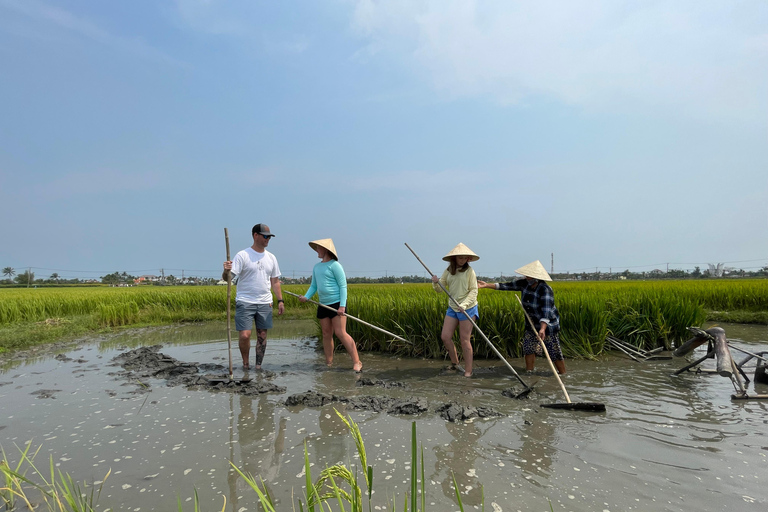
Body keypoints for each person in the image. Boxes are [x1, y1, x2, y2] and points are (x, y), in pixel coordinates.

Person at [477, 260, 566, 374]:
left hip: (548, 326)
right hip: (531, 323)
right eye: (526, 275)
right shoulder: (524, 283)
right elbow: (507, 285)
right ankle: (529, 372)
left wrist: (543, 328)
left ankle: (562, 374)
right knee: (529, 348)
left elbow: (546, 311)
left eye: (529, 276)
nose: (526, 277)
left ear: (536, 277)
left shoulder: (545, 289)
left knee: (553, 351)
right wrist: (487, 285)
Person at [222, 223, 284, 370]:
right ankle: (245, 363)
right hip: (245, 301)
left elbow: (275, 281)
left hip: (265, 302)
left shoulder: (271, 258)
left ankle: (258, 366)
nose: (267, 239)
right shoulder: (243, 255)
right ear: (255, 235)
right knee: (245, 335)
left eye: (269, 237)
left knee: (262, 335)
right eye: (265, 236)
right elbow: (228, 278)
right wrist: (225, 271)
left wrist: (280, 300)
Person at [298, 238, 363, 373]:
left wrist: (342, 306)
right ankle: (329, 362)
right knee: (326, 334)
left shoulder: (335, 266)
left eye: (318, 248)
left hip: (336, 304)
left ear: (326, 250)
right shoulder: (317, 267)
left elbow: (343, 286)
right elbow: (314, 286)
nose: (317, 250)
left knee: (340, 333)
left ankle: (357, 361)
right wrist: (306, 297)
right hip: (323, 304)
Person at [431, 243, 479, 377]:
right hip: (453, 307)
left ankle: (468, 371)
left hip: (467, 308)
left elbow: (474, 291)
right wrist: (436, 282)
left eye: (465, 258)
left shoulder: (470, 272)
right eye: (460, 258)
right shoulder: (448, 271)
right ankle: (455, 364)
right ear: (454, 258)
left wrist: (464, 305)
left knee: (465, 339)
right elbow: (440, 289)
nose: (463, 260)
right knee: (445, 337)